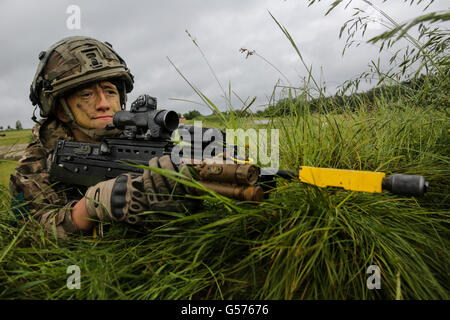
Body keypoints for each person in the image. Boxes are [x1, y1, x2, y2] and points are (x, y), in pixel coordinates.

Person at [9, 36, 200, 239]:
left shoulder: (144, 142)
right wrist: (88, 208)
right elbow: (27, 236)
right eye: (86, 94)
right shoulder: (36, 164)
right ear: (62, 111)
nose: (103, 103)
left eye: (110, 91)